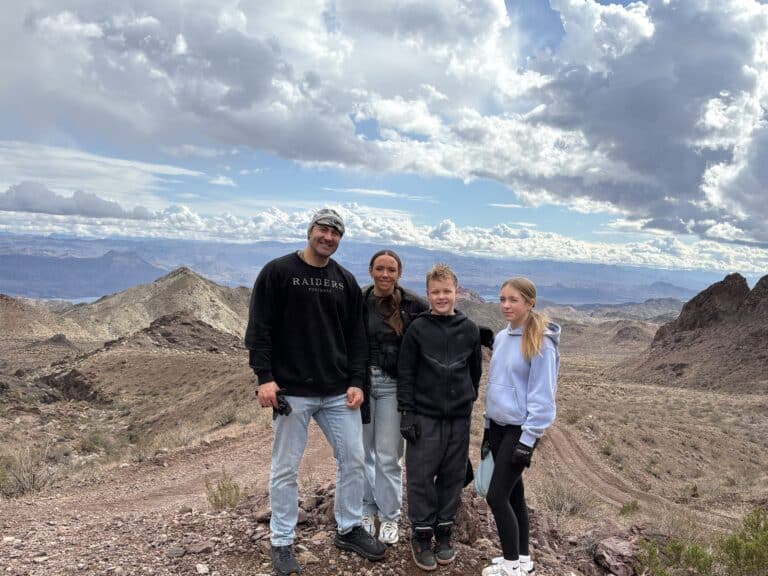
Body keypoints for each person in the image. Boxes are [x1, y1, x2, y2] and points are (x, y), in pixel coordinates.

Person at [244, 208, 387, 576]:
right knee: (286, 467)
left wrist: (357, 382)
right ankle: (281, 541)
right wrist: (264, 377)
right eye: (323, 229)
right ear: (310, 231)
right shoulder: (278, 272)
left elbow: (357, 338)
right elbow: (259, 327)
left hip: (338, 391)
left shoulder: (345, 281)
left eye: (336, 233)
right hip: (293, 391)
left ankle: (349, 527)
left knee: (354, 458)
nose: (328, 237)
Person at [397, 263, 482, 572]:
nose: (442, 297)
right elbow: (405, 373)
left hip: (458, 419)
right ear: (428, 293)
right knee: (420, 477)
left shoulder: (469, 329)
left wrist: (466, 401)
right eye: (436, 292)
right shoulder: (417, 329)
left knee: (453, 476)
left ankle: (444, 532)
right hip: (424, 416)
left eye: (447, 291)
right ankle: (421, 536)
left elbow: (475, 374)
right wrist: (407, 413)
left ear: (456, 292)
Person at [481, 277, 560, 576]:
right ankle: (522, 560)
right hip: (499, 427)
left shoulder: (540, 342)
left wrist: (528, 441)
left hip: (519, 430)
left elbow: (543, 398)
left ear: (530, 302)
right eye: (502, 299)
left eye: (513, 299)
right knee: (515, 496)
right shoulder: (502, 337)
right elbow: (495, 386)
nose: (506, 305)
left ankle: (511, 566)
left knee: (496, 496)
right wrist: (488, 429)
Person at [361, 249, 429, 545]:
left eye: (391, 269)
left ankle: (389, 517)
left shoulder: (413, 304)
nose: (385, 274)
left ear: (398, 273)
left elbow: (441, 320)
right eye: (380, 268)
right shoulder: (360, 301)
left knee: (388, 455)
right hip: (360, 385)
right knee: (360, 455)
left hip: (393, 387)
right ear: (371, 270)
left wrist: (474, 334)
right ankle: (365, 510)